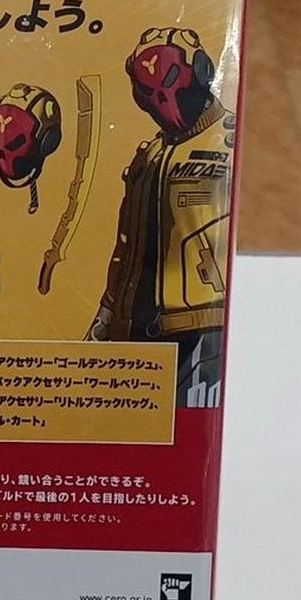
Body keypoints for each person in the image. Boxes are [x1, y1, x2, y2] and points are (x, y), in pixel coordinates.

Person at [88, 28, 236, 407]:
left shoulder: (232, 142)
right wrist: (106, 317)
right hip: (135, 334)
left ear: (202, 71)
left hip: (206, 331)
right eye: (147, 88)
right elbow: (127, 248)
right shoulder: (149, 156)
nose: (162, 100)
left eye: (169, 80)